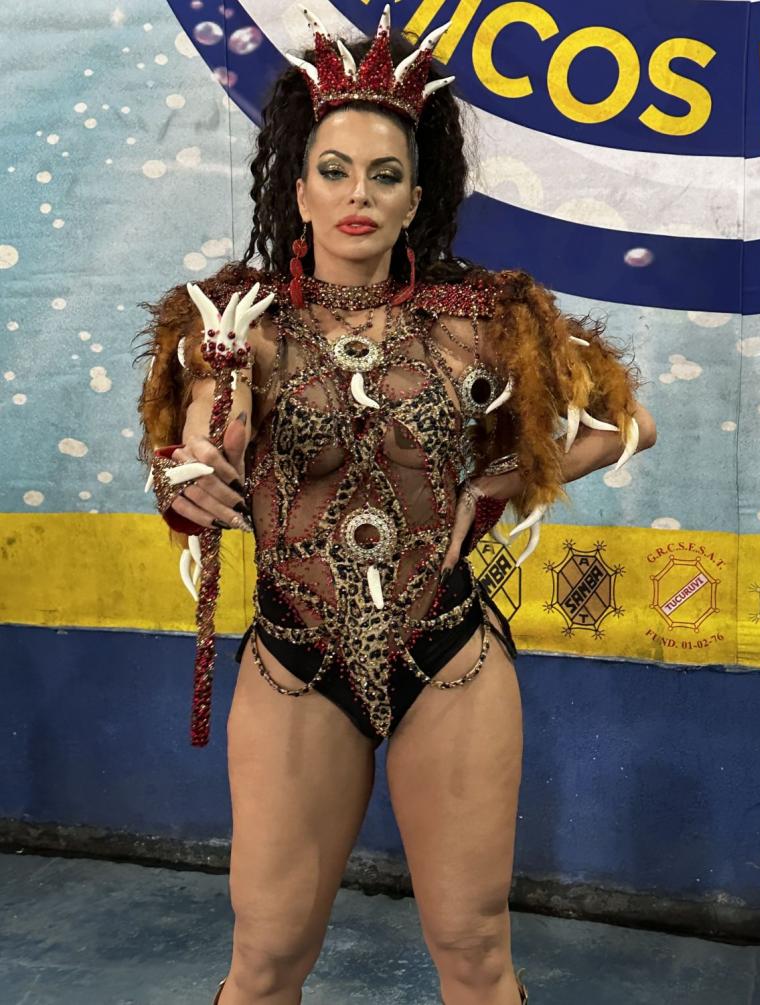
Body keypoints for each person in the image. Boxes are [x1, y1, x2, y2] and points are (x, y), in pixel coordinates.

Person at [135, 6, 656, 1004]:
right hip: (294, 659)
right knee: (266, 957)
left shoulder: (483, 319)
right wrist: (189, 469)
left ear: (416, 197)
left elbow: (628, 423)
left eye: (384, 175)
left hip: (450, 655)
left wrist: (511, 476)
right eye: (334, 171)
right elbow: (202, 440)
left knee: (472, 949)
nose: (358, 195)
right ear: (298, 190)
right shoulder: (241, 323)